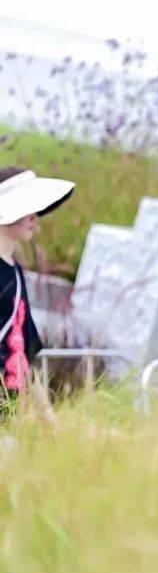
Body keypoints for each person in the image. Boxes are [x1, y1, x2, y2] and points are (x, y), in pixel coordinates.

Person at [0, 167, 74, 399]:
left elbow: (24, 352)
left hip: (10, 414)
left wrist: (46, 415)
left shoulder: (16, 273)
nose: (35, 218)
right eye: (26, 208)